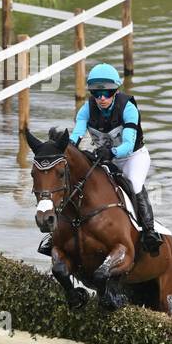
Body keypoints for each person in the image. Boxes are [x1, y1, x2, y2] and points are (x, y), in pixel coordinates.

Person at [39, 63, 161, 257]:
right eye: (96, 93)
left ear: (116, 90)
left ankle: (149, 232)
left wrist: (112, 153)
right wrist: (62, 147)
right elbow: (76, 137)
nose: (102, 98)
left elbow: (128, 144)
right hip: (105, 157)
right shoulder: (86, 110)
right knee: (78, 184)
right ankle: (57, 235)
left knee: (134, 184)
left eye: (107, 93)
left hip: (133, 157)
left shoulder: (128, 108)